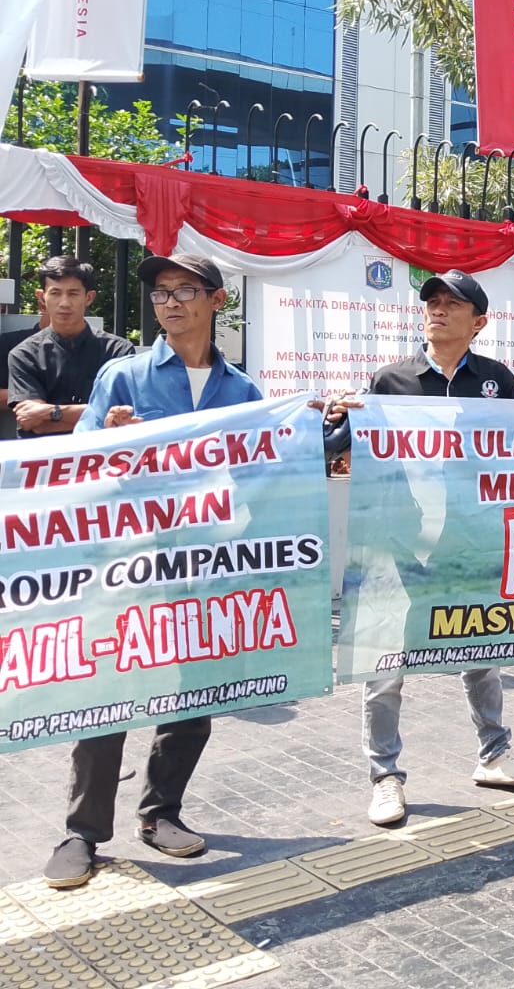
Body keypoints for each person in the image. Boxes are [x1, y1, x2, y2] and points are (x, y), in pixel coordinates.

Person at [44, 254, 263, 890]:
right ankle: (83, 833)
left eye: (185, 290)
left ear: (217, 301)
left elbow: (260, 479)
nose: (169, 303)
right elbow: (76, 470)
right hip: (124, 568)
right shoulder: (124, 377)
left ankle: (161, 810)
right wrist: (106, 442)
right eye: (161, 293)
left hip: (205, 569)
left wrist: (325, 432)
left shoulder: (242, 392)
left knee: (194, 699)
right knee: (104, 699)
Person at [326, 270, 514, 828]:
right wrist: (337, 422)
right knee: (387, 668)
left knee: (482, 656)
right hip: (399, 548)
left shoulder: (496, 380)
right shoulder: (390, 381)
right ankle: (385, 777)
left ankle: (495, 754)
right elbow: (345, 448)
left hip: (469, 547)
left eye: (453, 304)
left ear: (479, 322)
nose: (438, 310)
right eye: (432, 302)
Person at [7, 257, 134, 439]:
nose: (64, 303)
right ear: (42, 297)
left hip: (103, 456)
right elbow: (35, 424)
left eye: (73, 293)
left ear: (88, 297)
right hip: (44, 459)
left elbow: (121, 416)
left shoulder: (118, 350)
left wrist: (51, 412)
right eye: (56, 293)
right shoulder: (24, 354)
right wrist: (98, 415)